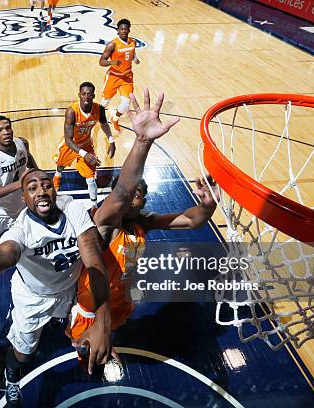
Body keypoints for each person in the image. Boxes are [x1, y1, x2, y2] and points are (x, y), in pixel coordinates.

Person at [0, 168, 113, 406]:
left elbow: (93, 259)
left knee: (65, 323)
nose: (41, 191)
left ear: (55, 190)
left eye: (46, 185)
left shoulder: (73, 208)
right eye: (32, 188)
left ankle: (54, 320)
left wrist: (103, 321)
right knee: (24, 354)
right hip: (33, 298)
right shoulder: (20, 228)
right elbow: (3, 255)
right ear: (23, 198)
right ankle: (12, 374)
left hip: (67, 290)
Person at [68, 94, 219, 362]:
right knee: (89, 358)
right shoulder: (102, 220)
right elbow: (123, 192)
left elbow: (192, 220)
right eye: (128, 194)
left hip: (121, 301)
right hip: (91, 307)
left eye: (138, 195)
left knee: (121, 334)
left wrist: (207, 205)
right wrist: (142, 141)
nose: (131, 198)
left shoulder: (142, 222)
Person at [52, 81, 115, 205]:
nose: (86, 96)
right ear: (79, 95)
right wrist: (84, 154)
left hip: (86, 144)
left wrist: (111, 140)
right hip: (70, 145)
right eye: (83, 94)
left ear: (94, 96)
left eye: (89, 94)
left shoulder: (99, 109)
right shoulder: (71, 111)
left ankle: (94, 205)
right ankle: (57, 175)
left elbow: (104, 124)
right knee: (61, 165)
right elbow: (69, 140)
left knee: (91, 178)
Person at [0, 115, 38, 241]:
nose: (6, 132)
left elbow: (28, 157)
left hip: (21, 206)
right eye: (0, 130)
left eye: (8, 128)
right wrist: (20, 183)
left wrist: (37, 173)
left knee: (27, 241)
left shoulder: (22, 143)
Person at [99, 19, 140, 133]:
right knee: (105, 102)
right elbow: (101, 61)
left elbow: (132, 53)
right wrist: (112, 62)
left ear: (129, 30)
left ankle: (115, 119)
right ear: (117, 30)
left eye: (125, 29)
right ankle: (97, 119)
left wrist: (135, 58)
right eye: (121, 29)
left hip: (127, 77)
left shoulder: (133, 42)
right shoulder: (112, 44)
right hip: (113, 76)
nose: (123, 31)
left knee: (126, 104)